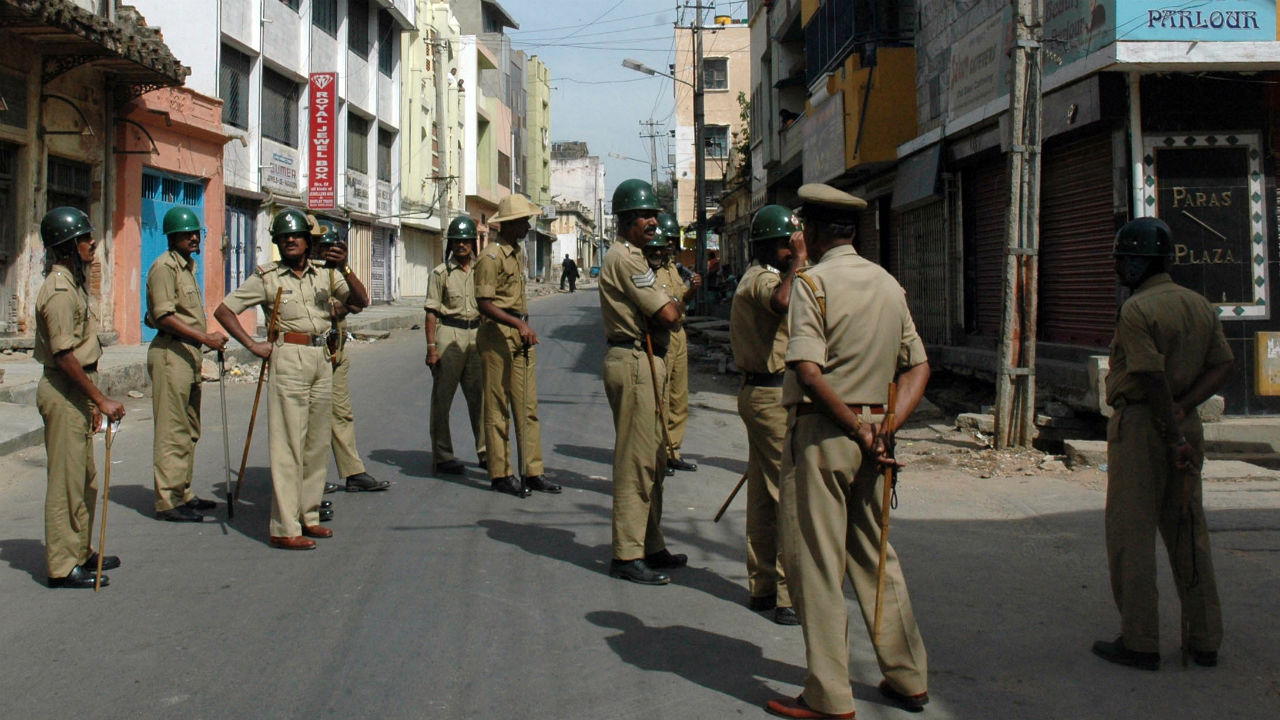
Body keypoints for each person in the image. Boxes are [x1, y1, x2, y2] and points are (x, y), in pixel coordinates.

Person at [767, 184, 931, 719]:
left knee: (816, 565)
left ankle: (829, 696)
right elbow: (918, 366)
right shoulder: (887, 285)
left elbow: (808, 372)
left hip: (826, 435)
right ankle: (908, 677)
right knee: (878, 556)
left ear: (810, 233)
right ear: (853, 231)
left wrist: (856, 429)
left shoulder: (814, 286)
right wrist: (883, 428)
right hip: (878, 438)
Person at [1092, 217, 1233, 671]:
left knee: (1131, 535)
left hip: (1144, 431)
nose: (1116, 267)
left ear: (1136, 263)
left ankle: (1140, 640)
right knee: (1188, 528)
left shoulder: (1137, 310)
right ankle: (1205, 638)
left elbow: (1150, 375)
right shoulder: (1199, 305)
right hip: (1184, 423)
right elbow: (1221, 365)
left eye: (1120, 259)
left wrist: (1169, 430)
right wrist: (1184, 408)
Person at [214, 208, 369, 550]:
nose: (290, 241)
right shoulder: (268, 277)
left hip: (322, 356)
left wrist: (344, 265)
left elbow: (361, 300)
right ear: (277, 243)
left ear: (306, 239)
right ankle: (284, 527)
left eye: (296, 235)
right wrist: (253, 345)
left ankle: (308, 516)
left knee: (315, 444)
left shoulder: (326, 274)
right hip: (287, 356)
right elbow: (225, 310)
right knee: (288, 445)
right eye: (284, 237)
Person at [599, 179, 688, 586]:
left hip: (645, 356)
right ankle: (627, 553)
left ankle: (651, 544)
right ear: (625, 221)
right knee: (636, 462)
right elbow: (669, 314)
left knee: (653, 459)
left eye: (654, 214)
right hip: (634, 359)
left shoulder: (636, 257)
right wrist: (667, 308)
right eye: (644, 216)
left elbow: (667, 309)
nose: (653, 221)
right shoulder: (628, 259)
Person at [34, 207, 126, 589]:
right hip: (64, 387)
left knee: (85, 478)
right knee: (66, 482)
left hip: (78, 390)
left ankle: (80, 549)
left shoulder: (72, 283)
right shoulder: (57, 292)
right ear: (68, 246)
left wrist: (91, 401)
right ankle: (61, 565)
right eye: (86, 239)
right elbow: (63, 355)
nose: (92, 244)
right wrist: (100, 399)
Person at [729, 204, 802, 626]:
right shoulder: (762, 279)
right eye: (785, 245)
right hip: (770, 397)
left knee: (761, 493)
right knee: (787, 495)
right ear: (770, 247)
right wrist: (800, 262)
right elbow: (782, 302)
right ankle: (789, 595)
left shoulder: (763, 275)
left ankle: (762, 584)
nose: (790, 249)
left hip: (762, 394)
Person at [145, 206, 229, 523]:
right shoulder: (163, 268)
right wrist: (206, 338)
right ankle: (168, 500)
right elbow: (164, 316)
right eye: (187, 234)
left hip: (190, 353)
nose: (194, 238)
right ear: (173, 236)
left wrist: (202, 341)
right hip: (171, 353)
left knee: (190, 428)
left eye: (196, 233)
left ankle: (183, 491)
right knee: (172, 430)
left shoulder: (187, 267)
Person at [475, 193, 560, 497]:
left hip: (519, 334)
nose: (527, 225)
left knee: (527, 406)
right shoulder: (491, 257)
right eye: (523, 220)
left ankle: (533, 470)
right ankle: (501, 473)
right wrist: (518, 324)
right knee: (497, 407)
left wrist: (522, 324)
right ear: (509, 224)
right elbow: (484, 303)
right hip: (497, 334)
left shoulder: (515, 253)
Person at [311, 222, 389, 495]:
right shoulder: (300, 274)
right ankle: (310, 478)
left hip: (335, 353)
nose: (325, 253)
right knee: (310, 419)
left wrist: (345, 267)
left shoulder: (335, 274)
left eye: (330, 247)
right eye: (320, 247)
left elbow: (360, 301)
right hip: (308, 356)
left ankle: (353, 471)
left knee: (341, 414)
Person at [425, 216, 487, 476]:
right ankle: (442, 455)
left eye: (466, 241)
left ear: (473, 243)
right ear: (451, 244)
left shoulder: (481, 270)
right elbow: (431, 312)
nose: (462, 246)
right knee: (442, 399)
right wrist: (431, 348)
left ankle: (485, 452)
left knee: (481, 398)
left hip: (476, 334)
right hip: (449, 333)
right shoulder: (440, 273)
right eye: (457, 241)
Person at [653, 213, 699, 473]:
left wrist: (692, 289)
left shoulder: (673, 268)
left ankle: (673, 450)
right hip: (664, 332)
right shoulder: (652, 268)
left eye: (672, 240)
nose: (669, 245)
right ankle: (658, 451)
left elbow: (681, 298)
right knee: (662, 395)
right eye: (666, 240)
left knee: (679, 396)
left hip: (679, 331)